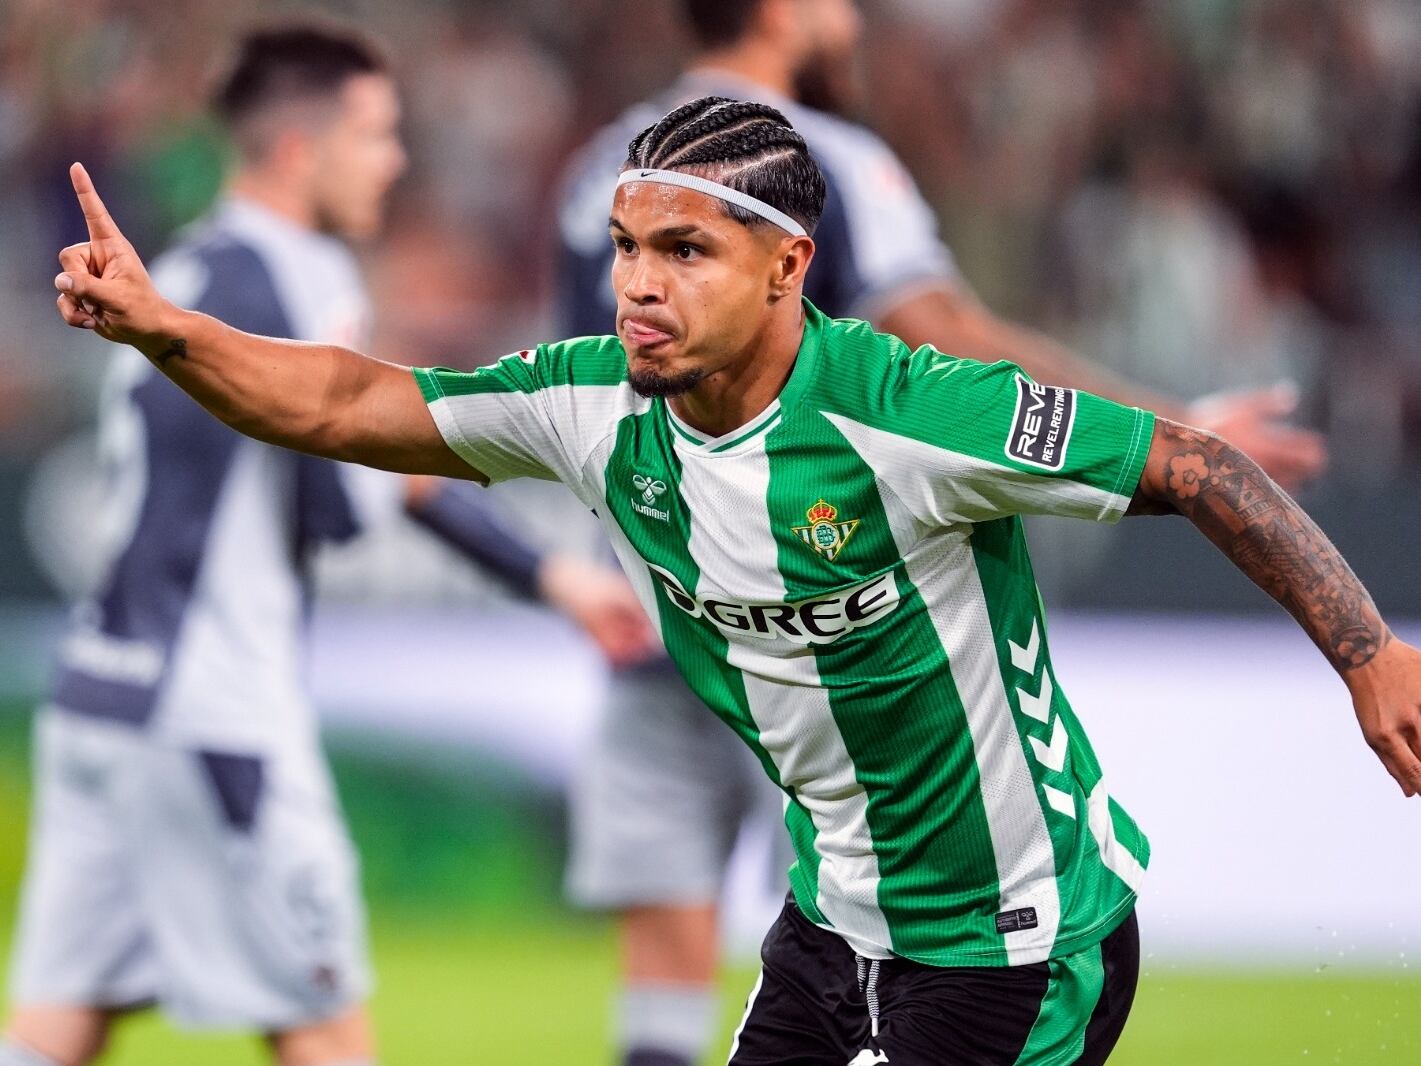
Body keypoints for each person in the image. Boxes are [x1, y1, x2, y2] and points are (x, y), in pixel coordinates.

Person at [49, 95, 1421, 1066]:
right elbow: (349, 401)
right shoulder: (593, 401)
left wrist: (1369, 655)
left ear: (787, 267)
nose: (636, 285)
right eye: (627, 248)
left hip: (1014, 940)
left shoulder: (906, 412)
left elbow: (1196, 466)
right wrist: (169, 327)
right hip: (835, 920)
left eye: (684, 252)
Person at [552, 3, 1329, 1063]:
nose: (849, 18)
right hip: (842, 610)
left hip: (663, 606)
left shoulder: (604, 164)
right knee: (908, 872)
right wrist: (1157, 420)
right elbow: (943, 334)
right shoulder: (816, 157)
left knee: (669, 945)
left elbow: (587, 382)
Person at [3, 26, 650, 1066]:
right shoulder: (298, 281)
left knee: (55, 1030)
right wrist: (550, 574)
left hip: (101, 693)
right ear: (301, 150)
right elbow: (357, 488)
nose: (392, 160)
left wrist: (549, 576)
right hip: (215, 709)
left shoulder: (175, 268)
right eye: (374, 133)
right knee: (326, 1030)